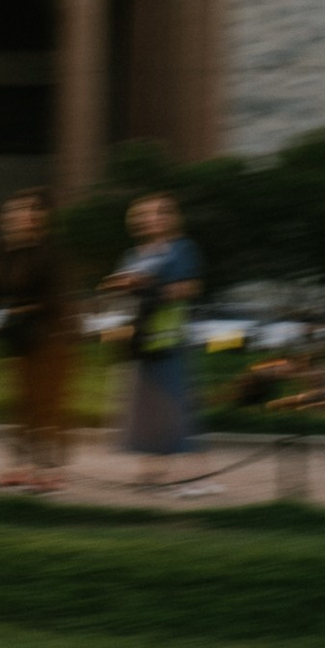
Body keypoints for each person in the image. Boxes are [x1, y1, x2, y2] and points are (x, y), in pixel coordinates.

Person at [108, 189, 204, 486]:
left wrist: (152, 286)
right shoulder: (133, 254)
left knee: (170, 397)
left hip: (167, 335)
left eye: (160, 213)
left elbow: (190, 288)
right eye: (146, 214)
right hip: (139, 335)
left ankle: (168, 464)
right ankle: (149, 463)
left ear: (171, 217)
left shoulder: (181, 248)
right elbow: (118, 286)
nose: (152, 219)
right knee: (143, 400)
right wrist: (123, 284)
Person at [0, 190, 73, 488]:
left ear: (39, 217)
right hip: (18, 338)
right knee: (20, 405)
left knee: (46, 407)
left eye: (22, 210)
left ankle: (50, 469)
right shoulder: (6, 250)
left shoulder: (49, 252)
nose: (13, 216)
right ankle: (22, 465)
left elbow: (56, 300)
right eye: (10, 211)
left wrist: (21, 308)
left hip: (50, 338)